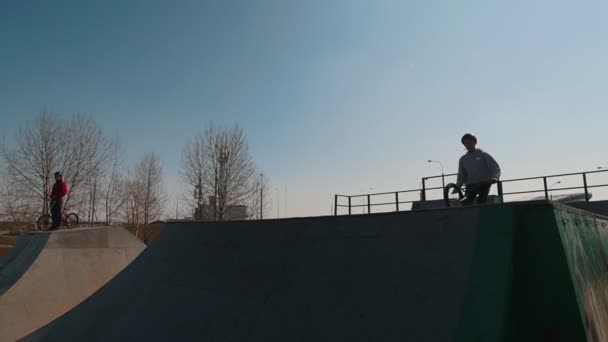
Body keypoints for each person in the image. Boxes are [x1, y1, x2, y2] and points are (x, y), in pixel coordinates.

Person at [456, 134, 501, 205]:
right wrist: (457, 187)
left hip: (484, 183)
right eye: (465, 144)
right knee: (466, 202)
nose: (468, 145)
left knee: (481, 201)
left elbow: (495, 168)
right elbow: (461, 175)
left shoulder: (483, 155)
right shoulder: (463, 159)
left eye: (469, 143)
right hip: (471, 185)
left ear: (474, 142)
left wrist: (495, 177)